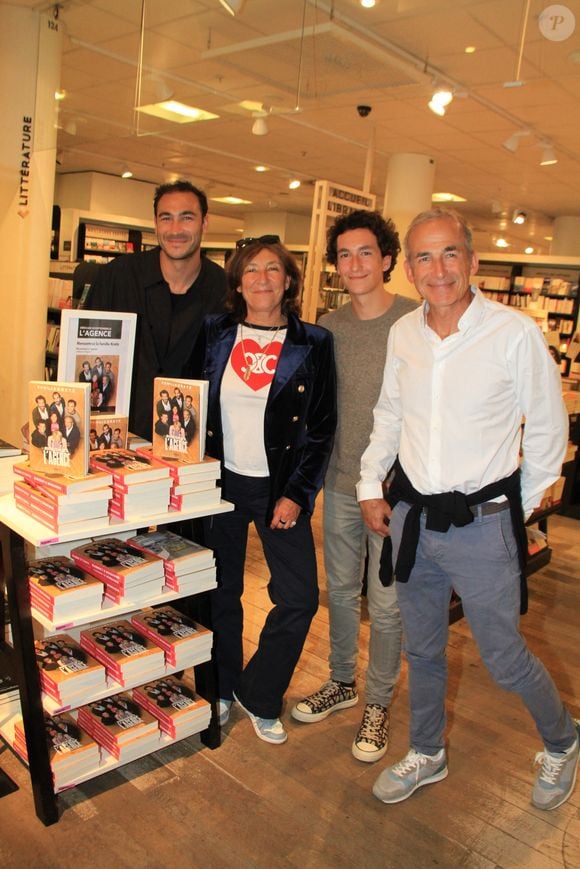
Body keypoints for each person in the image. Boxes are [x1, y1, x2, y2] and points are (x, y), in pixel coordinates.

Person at [357, 208, 579, 810]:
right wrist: (369, 484)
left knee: (504, 657)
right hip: (413, 520)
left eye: (450, 253)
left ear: (473, 260)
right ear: (408, 269)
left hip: (484, 525)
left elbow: (547, 433)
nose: (439, 269)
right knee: (422, 649)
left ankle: (563, 741)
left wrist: (519, 507)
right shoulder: (405, 333)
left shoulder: (513, 332)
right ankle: (427, 751)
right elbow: (389, 416)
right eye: (424, 257)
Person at [198, 236, 336, 744]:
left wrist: (297, 495)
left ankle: (257, 693)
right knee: (220, 590)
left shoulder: (314, 342)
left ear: (288, 280)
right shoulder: (214, 332)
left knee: (299, 598)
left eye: (272, 269)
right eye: (251, 269)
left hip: (278, 489)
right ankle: (220, 683)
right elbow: (190, 406)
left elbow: (320, 429)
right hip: (218, 483)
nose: (261, 278)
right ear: (237, 281)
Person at [291, 210, 418, 763]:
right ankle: (342, 681)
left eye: (366, 252)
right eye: (344, 254)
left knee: (387, 607)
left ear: (387, 258)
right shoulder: (327, 328)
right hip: (341, 485)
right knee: (340, 592)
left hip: (397, 491)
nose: (355, 264)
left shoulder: (416, 321)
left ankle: (379, 703)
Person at [87, 180, 227, 439]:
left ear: (204, 223)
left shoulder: (225, 291)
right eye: (166, 218)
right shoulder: (116, 278)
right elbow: (83, 352)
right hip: (118, 437)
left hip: (190, 445)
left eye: (186, 218)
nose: (176, 229)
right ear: (155, 223)